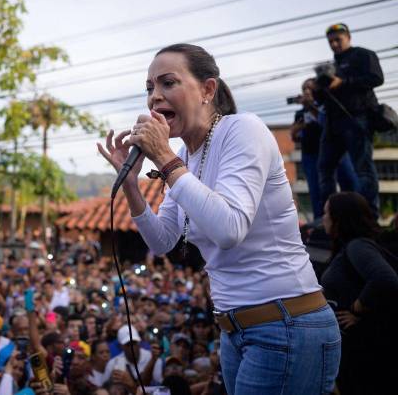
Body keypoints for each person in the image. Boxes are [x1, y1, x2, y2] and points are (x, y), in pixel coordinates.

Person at [98, 43, 341, 394]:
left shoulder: (243, 130)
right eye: (150, 88)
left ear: (207, 90)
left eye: (168, 83)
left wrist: (165, 159)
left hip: (286, 324)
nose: (154, 98)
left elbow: (229, 229)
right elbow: (163, 240)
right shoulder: (184, 156)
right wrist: (132, 182)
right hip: (234, 332)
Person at [320, 192, 398, 394]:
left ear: (339, 219)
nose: (323, 218)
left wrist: (358, 308)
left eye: (326, 213)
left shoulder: (358, 246)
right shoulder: (350, 247)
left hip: (367, 352)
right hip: (358, 350)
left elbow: (385, 279)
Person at [316, 23, 384, 217]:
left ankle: (368, 216)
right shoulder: (331, 66)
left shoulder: (363, 55)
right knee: (325, 168)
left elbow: (376, 78)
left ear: (348, 37)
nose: (335, 44)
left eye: (338, 39)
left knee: (363, 168)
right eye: (331, 42)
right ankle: (327, 217)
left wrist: (343, 82)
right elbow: (325, 96)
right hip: (332, 122)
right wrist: (318, 89)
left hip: (357, 118)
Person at [290, 78, 358, 220]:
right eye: (304, 89)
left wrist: (311, 107)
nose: (307, 91)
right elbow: (296, 138)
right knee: (318, 191)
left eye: (310, 88)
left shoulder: (327, 105)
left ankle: (353, 217)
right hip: (311, 154)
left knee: (349, 183)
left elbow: (326, 122)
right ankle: (322, 222)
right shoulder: (300, 113)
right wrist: (296, 131)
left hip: (335, 151)